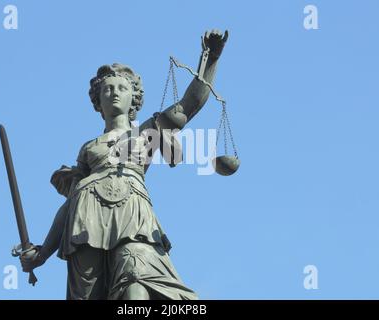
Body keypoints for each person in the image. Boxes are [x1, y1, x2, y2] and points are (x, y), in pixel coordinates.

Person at [19, 29, 229, 300]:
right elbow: (69, 203)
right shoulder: (88, 149)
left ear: (134, 97)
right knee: (87, 295)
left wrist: (211, 58)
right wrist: (42, 253)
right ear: (98, 100)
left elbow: (190, 105)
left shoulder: (147, 132)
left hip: (132, 215)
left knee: (137, 278)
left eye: (121, 87)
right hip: (84, 221)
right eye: (107, 89)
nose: (114, 93)